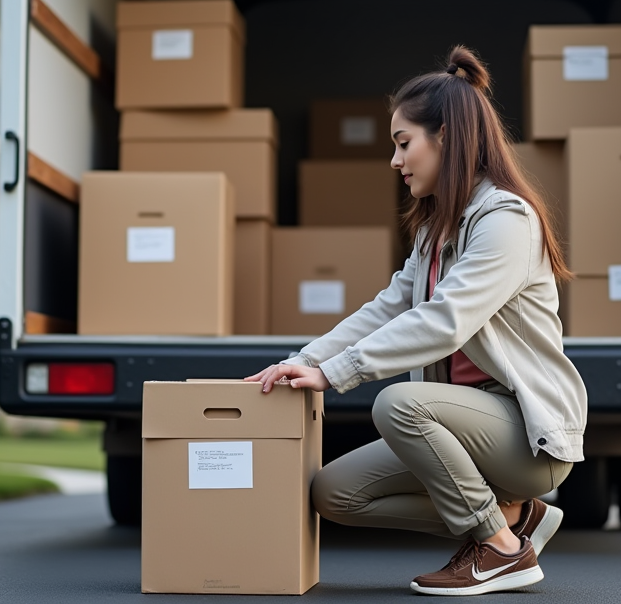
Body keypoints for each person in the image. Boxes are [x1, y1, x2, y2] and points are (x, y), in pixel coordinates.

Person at [246, 46, 588, 596]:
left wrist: (339, 374)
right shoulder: (436, 230)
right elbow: (387, 306)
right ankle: (513, 522)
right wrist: (303, 361)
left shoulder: (505, 220)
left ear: (447, 137)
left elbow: (444, 322)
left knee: (397, 404)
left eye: (404, 143)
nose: (395, 160)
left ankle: (499, 550)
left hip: (526, 437)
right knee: (333, 494)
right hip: (468, 428)